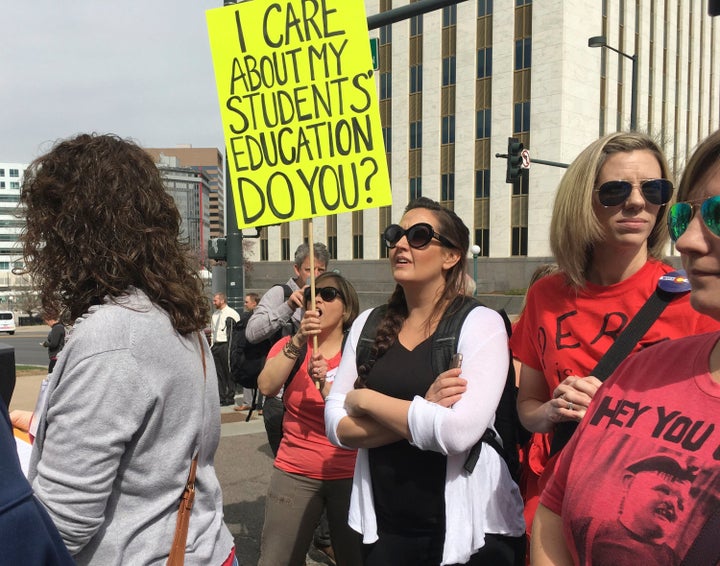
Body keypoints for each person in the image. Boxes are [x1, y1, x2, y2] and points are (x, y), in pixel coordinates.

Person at [11, 134, 235, 565]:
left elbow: (62, 528)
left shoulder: (113, 336)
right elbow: (153, 453)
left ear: (72, 231)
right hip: (205, 548)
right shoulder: (174, 315)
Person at [510, 132, 720, 534]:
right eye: (615, 190)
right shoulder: (545, 296)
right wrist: (550, 413)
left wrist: (616, 421)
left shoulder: (696, 300)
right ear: (582, 201)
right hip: (553, 501)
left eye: (655, 189)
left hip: (641, 516)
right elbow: (528, 405)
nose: (638, 202)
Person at [325, 197, 525, 566]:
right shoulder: (368, 324)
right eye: (396, 234)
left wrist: (365, 401)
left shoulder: (480, 323)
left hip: (467, 533)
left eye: (418, 236)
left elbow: (456, 434)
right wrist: (425, 408)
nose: (400, 244)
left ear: (451, 256)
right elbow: (336, 426)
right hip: (384, 530)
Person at [257, 271, 362, 566]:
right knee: (278, 560)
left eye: (328, 295)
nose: (316, 298)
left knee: (356, 558)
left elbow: (365, 411)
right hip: (295, 470)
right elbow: (266, 386)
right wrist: (301, 337)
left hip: (350, 473)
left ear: (347, 308)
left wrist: (327, 387)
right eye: (309, 295)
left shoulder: (361, 352)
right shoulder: (290, 346)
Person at [245, 242, 330, 455]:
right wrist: (289, 306)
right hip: (280, 397)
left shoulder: (327, 295)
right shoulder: (280, 294)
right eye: (309, 269)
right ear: (296, 269)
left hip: (314, 394)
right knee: (288, 462)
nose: (315, 275)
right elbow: (252, 332)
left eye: (321, 270)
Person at [211, 292, 240, 406]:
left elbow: (236, 330)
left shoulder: (232, 313)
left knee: (228, 370)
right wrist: (212, 345)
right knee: (219, 373)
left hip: (226, 344)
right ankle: (221, 397)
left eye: (215, 300)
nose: (214, 303)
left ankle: (230, 396)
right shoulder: (215, 315)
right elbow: (213, 330)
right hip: (216, 345)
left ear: (222, 300)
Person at [233, 292, 260, 412]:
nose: (244, 304)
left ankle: (260, 405)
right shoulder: (245, 317)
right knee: (246, 374)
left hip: (258, 351)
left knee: (260, 377)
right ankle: (247, 402)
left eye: (246, 302)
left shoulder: (260, 316)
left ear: (254, 303)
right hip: (247, 350)